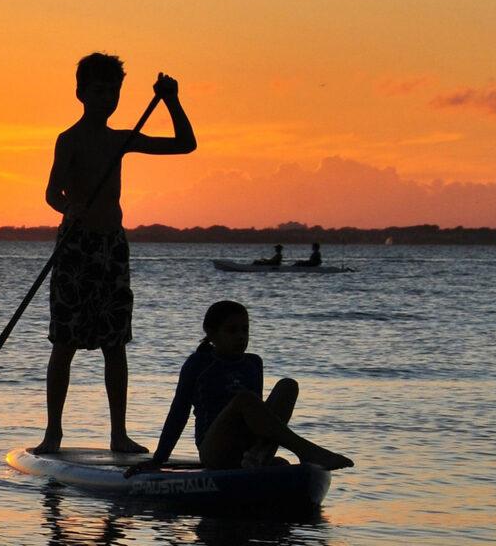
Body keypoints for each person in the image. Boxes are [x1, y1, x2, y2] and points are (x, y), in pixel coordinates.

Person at [35, 53, 196, 454]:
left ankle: (118, 434)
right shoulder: (69, 140)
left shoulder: (119, 139)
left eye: (114, 90)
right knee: (65, 343)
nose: (108, 97)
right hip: (75, 248)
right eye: (99, 90)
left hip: (111, 248)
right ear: (81, 93)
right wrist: (67, 207)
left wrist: (171, 100)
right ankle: (53, 433)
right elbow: (52, 193)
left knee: (114, 344)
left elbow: (185, 145)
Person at [124, 301, 353, 477]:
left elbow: (264, 420)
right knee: (245, 399)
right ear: (212, 334)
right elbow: (179, 412)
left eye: (245, 330)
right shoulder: (199, 364)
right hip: (215, 450)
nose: (241, 337)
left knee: (288, 386)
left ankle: (258, 458)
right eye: (232, 331)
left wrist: (261, 450)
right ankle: (307, 451)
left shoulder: (253, 363)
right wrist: (159, 459)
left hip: (247, 447)